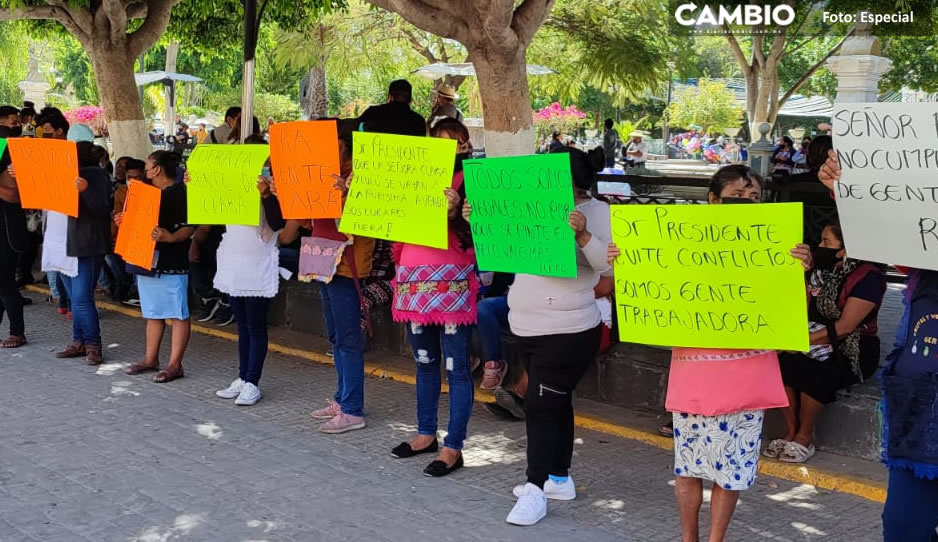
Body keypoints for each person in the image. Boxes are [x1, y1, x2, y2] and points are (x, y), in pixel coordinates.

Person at [621, 165, 804, 542]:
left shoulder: (774, 245)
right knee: (687, 466)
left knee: (733, 468)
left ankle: (715, 539)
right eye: (737, 197)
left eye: (754, 198)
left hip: (750, 372)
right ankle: (690, 537)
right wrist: (625, 257)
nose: (747, 205)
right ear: (713, 200)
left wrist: (796, 269)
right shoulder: (682, 241)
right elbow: (651, 279)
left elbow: (790, 309)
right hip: (696, 371)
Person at [817, 150, 938, 541]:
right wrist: (849, 192)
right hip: (919, 415)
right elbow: (891, 235)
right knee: (904, 527)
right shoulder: (923, 249)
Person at [489, 145, 608, 526]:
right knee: (556, 403)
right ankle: (559, 477)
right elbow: (504, 249)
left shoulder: (598, 212)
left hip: (568, 332)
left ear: (571, 181)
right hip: (529, 329)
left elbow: (608, 266)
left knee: (539, 407)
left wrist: (584, 235)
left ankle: (535, 488)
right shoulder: (530, 207)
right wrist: (484, 218)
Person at [389, 118, 476, 477]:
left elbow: (484, 237)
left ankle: (454, 445)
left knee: (456, 368)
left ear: (466, 145)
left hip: (453, 283)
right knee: (424, 361)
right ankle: (426, 433)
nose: (451, 149)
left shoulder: (475, 180)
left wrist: (459, 213)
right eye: (441, 142)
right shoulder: (410, 176)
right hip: (411, 281)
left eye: (457, 142)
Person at [277, 120, 376, 433]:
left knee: (347, 338)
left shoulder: (359, 174)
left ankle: (352, 409)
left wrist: (347, 194)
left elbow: (367, 219)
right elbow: (307, 220)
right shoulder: (317, 170)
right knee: (335, 337)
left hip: (346, 264)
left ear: (341, 143)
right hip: (321, 258)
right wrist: (286, 193)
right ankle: (342, 399)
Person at [763, 222, 885, 464]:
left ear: (845, 249)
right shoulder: (823, 270)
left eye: (827, 242)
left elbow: (845, 327)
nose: (820, 247)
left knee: (819, 371)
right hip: (813, 336)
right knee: (779, 363)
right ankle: (791, 431)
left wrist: (799, 342)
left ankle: (805, 437)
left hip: (853, 348)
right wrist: (802, 270)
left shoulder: (869, 278)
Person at [206, 139, 284, 406]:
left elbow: (278, 222)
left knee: (256, 326)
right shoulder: (229, 184)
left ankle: (253, 381)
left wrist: (266, 196)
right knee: (242, 326)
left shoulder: (273, 187)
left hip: (257, 263)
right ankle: (242, 376)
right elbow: (206, 203)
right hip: (233, 262)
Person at [123, 151, 194, 383]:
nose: (145, 171)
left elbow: (189, 226)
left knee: (178, 312)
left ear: (158, 169)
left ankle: (175, 364)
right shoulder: (146, 192)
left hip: (173, 260)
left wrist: (171, 237)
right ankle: (150, 358)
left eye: (148, 166)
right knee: (153, 312)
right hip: (146, 258)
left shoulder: (181, 193)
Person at [55, 141, 112, 365]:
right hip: (63, 244)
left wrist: (85, 190)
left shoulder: (95, 176)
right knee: (74, 298)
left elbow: (102, 209)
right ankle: (79, 341)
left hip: (85, 244)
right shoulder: (66, 175)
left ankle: (92, 345)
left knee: (81, 298)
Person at [0, 117, 27, 348]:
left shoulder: (12, 165)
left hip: (6, 233)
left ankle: (17, 332)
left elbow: (13, 196)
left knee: (5, 284)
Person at [358, 79, 427, 137]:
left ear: (390, 95)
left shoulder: (372, 113)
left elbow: (354, 128)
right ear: (410, 98)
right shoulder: (418, 121)